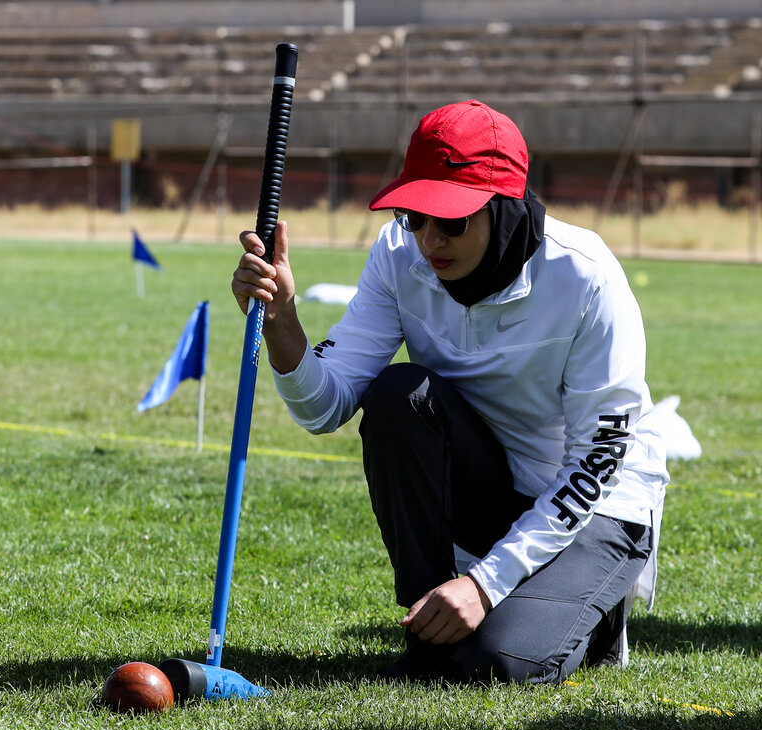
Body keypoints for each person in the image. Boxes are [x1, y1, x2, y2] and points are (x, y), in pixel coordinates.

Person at [231, 100, 669, 684]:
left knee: (492, 667)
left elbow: (595, 463)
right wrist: (283, 319)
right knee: (398, 395)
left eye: (453, 221)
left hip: (597, 505)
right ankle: (429, 623)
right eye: (416, 217)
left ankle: (598, 616)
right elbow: (324, 406)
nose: (430, 240)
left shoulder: (586, 276)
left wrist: (486, 585)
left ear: (505, 205)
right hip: (495, 485)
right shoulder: (396, 254)